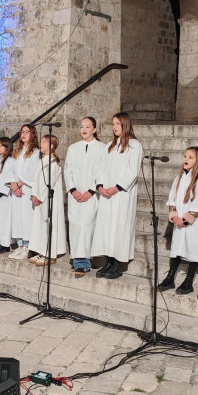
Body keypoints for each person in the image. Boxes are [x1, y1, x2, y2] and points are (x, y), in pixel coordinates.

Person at [91, 112, 143, 279]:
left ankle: (118, 264)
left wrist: (116, 187)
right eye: (113, 124)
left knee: (119, 227)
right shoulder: (109, 146)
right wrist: (100, 186)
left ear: (125, 125)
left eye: (117, 123)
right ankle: (108, 261)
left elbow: (132, 170)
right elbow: (100, 168)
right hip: (106, 193)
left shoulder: (134, 145)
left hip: (121, 194)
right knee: (107, 227)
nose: (114, 127)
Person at [159, 146, 198, 294]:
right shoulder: (178, 178)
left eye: (190, 157)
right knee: (176, 249)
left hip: (193, 224)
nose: (186, 159)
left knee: (194, 249)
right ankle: (170, 277)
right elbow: (172, 200)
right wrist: (174, 215)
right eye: (185, 156)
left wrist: (185, 221)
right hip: (179, 222)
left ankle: (189, 281)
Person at [63, 117, 106, 277]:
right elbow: (68, 170)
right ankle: (77, 261)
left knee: (86, 227)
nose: (84, 129)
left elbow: (101, 171)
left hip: (91, 195)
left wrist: (91, 191)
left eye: (88, 127)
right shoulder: (73, 148)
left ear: (94, 129)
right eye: (82, 126)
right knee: (75, 227)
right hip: (75, 195)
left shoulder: (102, 148)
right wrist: (73, 190)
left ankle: (84, 262)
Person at [28, 134, 67, 265]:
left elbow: (48, 183)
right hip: (40, 199)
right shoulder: (42, 160)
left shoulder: (53, 162)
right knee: (41, 225)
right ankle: (42, 250)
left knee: (49, 225)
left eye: (44, 142)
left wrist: (40, 197)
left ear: (51, 146)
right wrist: (34, 195)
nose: (41, 144)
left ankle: (50, 254)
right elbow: (36, 180)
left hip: (48, 200)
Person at [9, 124, 41, 260]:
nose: (23, 134)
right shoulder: (18, 151)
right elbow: (10, 168)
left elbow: (32, 171)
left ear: (32, 134)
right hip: (16, 190)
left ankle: (27, 246)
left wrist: (19, 184)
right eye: (22, 131)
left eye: (26, 132)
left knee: (26, 217)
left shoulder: (35, 152)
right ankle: (20, 246)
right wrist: (13, 184)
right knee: (17, 217)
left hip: (26, 189)